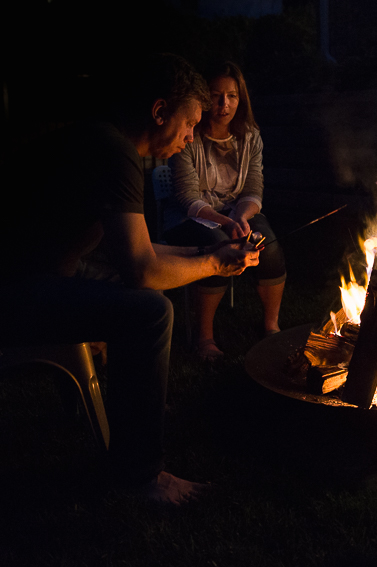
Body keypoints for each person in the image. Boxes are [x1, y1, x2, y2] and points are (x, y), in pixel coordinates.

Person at [0, 54, 260, 505]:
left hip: (36, 271)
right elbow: (142, 269)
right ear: (159, 112)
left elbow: (132, 253)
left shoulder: (105, 141)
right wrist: (216, 265)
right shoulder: (113, 150)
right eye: (188, 124)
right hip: (13, 289)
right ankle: (140, 477)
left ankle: (133, 423)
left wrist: (208, 252)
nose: (190, 137)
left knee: (133, 293)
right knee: (149, 311)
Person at [164, 61, 286, 359]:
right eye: (216, 95)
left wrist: (241, 216)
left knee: (266, 243)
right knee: (219, 244)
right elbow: (187, 197)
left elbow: (254, 188)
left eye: (231, 96)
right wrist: (224, 222)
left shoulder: (249, 136)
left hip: (235, 211)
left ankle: (271, 326)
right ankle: (204, 338)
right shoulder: (190, 135)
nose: (224, 104)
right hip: (192, 215)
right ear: (204, 99)